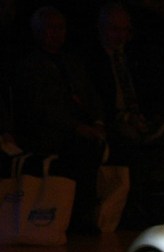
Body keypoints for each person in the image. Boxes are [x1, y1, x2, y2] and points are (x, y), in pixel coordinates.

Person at [14, 5, 107, 233]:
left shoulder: (72, 62)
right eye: (50, 28)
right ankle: (78, 216)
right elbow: (41, 109)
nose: (56, 33)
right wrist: (77, 127)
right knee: (81, 148)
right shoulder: (29, 66)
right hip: (48, 131)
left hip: (79, 126)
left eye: (60, 28)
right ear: (37, 32)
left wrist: (97, 122)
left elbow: (91, 95)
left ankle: (117, 211)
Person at [86, 1, 164, 186]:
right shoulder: (91, 60)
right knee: (127, 134)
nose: (121, 36)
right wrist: (128, 117)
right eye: (115, 30)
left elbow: (154, 86)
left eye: (125, 30)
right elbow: (96, 101)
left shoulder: (137, 53)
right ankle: (138, 189)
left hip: (144, 116)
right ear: (100, 28)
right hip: (115, 120)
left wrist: (153, 114)